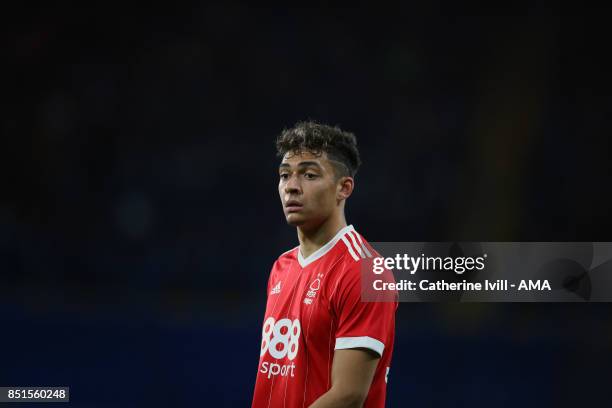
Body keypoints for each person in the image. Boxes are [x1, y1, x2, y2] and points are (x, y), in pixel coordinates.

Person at [251, 121, 397, 407]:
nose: (291, 187)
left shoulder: (367, 272)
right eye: (284, 175)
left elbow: (349, 396)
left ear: (344, 188)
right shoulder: (282, 266)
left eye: (308, 174)